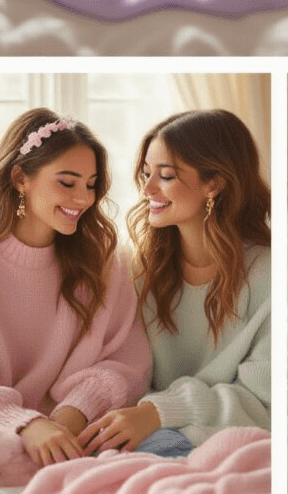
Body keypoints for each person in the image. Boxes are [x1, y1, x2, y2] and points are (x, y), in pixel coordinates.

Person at [0, 110, 150, 470]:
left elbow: (126, 359)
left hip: (71, 427)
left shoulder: (105, 261)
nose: (83, 198)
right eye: (68, 182)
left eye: (91, 184)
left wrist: (70, 417)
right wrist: (26, 424)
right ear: (20, 178)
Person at [79, 108, 271, 457]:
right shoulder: (137, 267)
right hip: (138, 430)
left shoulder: (266, 274)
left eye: (165, 176)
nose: (148, 188)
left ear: (214, 183)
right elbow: (119, 364)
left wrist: (158, 412)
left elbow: (263, 396)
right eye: (147, 173)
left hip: (207, 438)